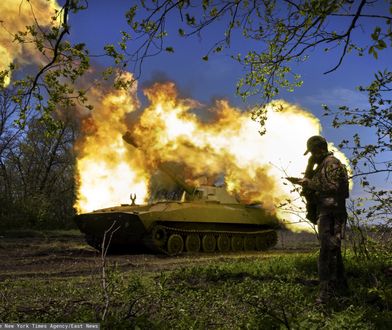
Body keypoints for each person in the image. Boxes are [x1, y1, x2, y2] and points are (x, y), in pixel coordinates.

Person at [290, 135, 350, 304]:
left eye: (313, 152)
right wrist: (309, 168)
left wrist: (309, 183)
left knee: (327, 252)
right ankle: (341, 287)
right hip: (326, 211)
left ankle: (326, 294)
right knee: (332, 251)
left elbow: (336, 187)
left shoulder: (332, 163)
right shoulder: (322, 164)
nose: (312, 156)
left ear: (320, 150)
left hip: (332, 212)